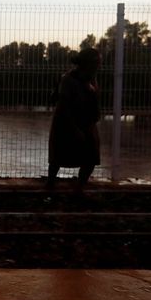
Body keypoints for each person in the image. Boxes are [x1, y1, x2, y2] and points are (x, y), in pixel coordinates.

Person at [47, 47, 101, 192]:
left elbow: (94, 101)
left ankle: (79, 188)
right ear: (87, 64)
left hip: (86, 122)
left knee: (91, 156)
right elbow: (63, 107)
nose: (98, 66)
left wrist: (94, 119)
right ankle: (50, 186)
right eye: (96, 63)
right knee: (57, 158)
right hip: (66, 123)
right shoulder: (68, 80)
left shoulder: (91, 79)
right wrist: (75, 129)